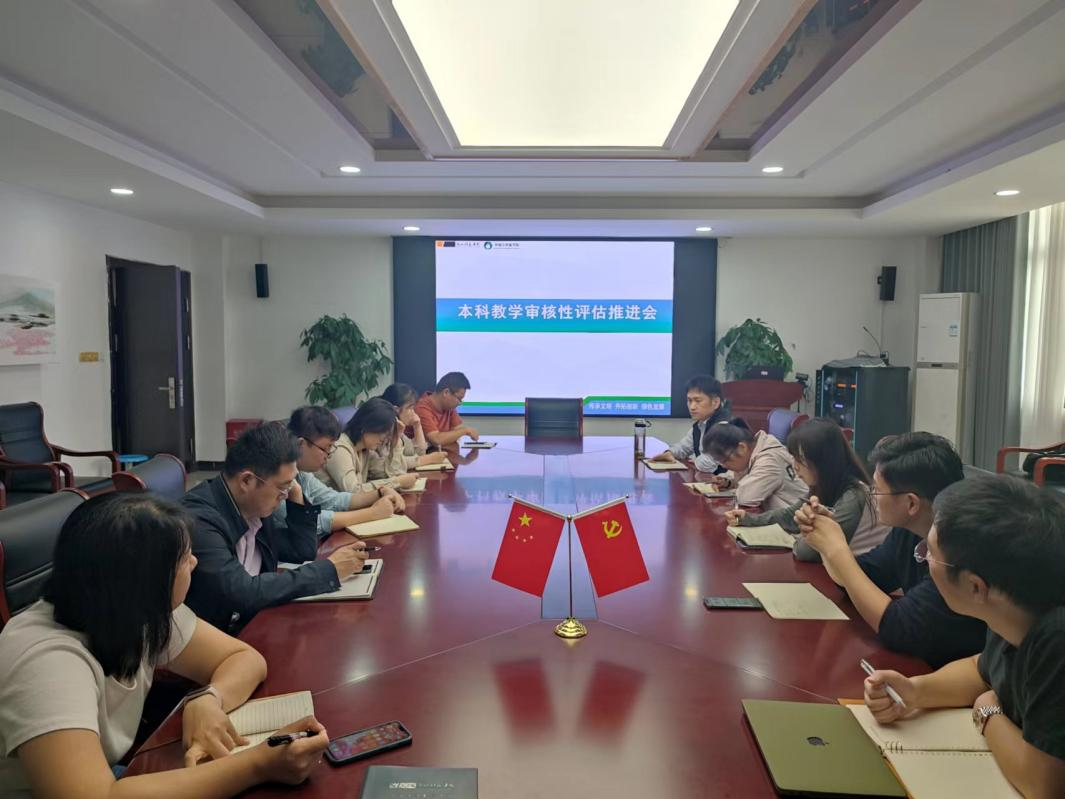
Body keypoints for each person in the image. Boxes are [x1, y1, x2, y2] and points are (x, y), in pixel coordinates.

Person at [0, 493, 328, 797]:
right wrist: (258, 764)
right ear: (145, 580)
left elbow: (243, 658)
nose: (194, 563)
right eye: (184, 558)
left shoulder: (135, 611)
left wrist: (209, 699)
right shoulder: (47, 661)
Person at [863, 476, 1065, 798]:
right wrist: (916, 692)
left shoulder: (1056, 638)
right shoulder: (1013, 602)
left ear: (975, 587)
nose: (924, 560)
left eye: (930, 553)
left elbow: (1043, 786)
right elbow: (981, 670)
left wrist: (987, 710)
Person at [796, 431, 986, 668]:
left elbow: (897, 628)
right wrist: (824, 539)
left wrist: (837, 549)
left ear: (911, 503)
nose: (873, 496)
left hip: (956, 679)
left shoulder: (957, 552)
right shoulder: (909, 531)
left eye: (877, 489)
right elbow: (859, 578)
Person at [182, 424, 368, 633]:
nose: (284, 495)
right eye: (282, 487)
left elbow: (301, 551)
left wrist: (295, 495)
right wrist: (329, 570)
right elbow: (243, 592)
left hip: (254, 621)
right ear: (247, 480)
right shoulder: (199, 520)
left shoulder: (255, 505)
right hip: (219, 634)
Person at [725, 418, 889, 562]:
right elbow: (790, 515)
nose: (795, 467)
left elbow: (808, 553)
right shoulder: (824, 485)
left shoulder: (853, 496)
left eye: (800, 460)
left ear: (823, 461)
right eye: (793, 458)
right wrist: (748, 519)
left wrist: (801, 536)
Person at [279, 406, 403, 537]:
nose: (329, 455)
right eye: (325, 448)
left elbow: (335, 500)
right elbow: (314, 522)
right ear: (301, 444)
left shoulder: (303, 474)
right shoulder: (278, 478)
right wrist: (372, 513)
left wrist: (380, 492)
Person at [320, 399, 417, 497]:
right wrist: (397, 482)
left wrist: (396, 440)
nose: (384, 438)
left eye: (387, 433)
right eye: (383, 431)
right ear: (366, 425)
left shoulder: (365, 450)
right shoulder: (339, 449)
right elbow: (353, 491)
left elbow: (390, 473)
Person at [703, 421, 808, 510]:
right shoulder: (755, 450)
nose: (724, 466)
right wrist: (727, 481)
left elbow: (746, 497)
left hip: (795, 524)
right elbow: (742, 473)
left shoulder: (769, 461)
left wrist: (732, 489)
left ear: (742, 448)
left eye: (725, 460)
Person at [648, 375, 730, 473]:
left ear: (715, 402)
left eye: (698, 401)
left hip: (726, 481)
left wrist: (694, 459)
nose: (692, 407)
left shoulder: (723, 427)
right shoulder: (700, 424)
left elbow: (708, 464)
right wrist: (670, 453)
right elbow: (683, 447)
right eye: (690, 401)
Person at [368, 383, 450, 479]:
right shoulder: (380, 431)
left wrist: (417, 426)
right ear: (396, 410)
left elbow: (417, 453)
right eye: (410, 408)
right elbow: (386, 468)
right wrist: (428, 459)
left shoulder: (398, 428)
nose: (413, 413)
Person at [414, 372, 479, 449]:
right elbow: (436, 440)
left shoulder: (449, 407)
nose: (460, 403)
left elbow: (457, 430)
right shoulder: (422, 408)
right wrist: (465, 431)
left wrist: (460, 432)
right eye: (459, 399)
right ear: (446, 392)